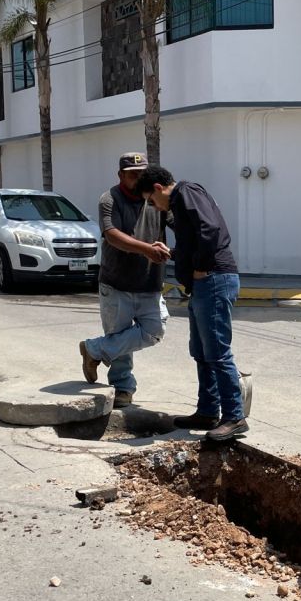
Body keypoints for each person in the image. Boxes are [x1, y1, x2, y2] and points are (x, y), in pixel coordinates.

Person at [136, 166, 247, 441]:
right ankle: (208, 411)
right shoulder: (180, 201)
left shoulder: (187, 191)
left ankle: (234, 417)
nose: (155, 206)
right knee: (201, 351)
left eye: (152, 200)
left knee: (217, 352)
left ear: (158, 188)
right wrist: (173, 253)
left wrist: (201, 267)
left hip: (214, 279)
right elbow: (195, 241)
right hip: (203, 283)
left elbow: (210, 229)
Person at [78, 153, 171, 408]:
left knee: (154, 330)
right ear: (120, 175)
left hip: (150, 281)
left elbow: (177, 221)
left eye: (142, 173)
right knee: (118, 335)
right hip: (116, 281)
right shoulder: (109, 199)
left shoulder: (155, 198)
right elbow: (111, 234)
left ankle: (93, 349)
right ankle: (122, 387)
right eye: (132, 174)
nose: (138, 179)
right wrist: (146, 249)